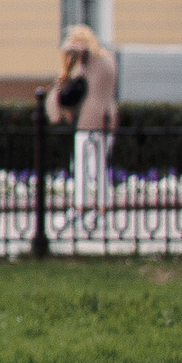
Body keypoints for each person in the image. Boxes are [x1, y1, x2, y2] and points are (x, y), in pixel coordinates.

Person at [50, 24, 118, 222]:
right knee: (99, 166)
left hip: (90, 119)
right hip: (107, 117)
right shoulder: (107, 60)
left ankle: (82, 207)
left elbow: (72, 49)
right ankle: (102, 208)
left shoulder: (91, 63)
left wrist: (70, 60)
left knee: (82, 165)